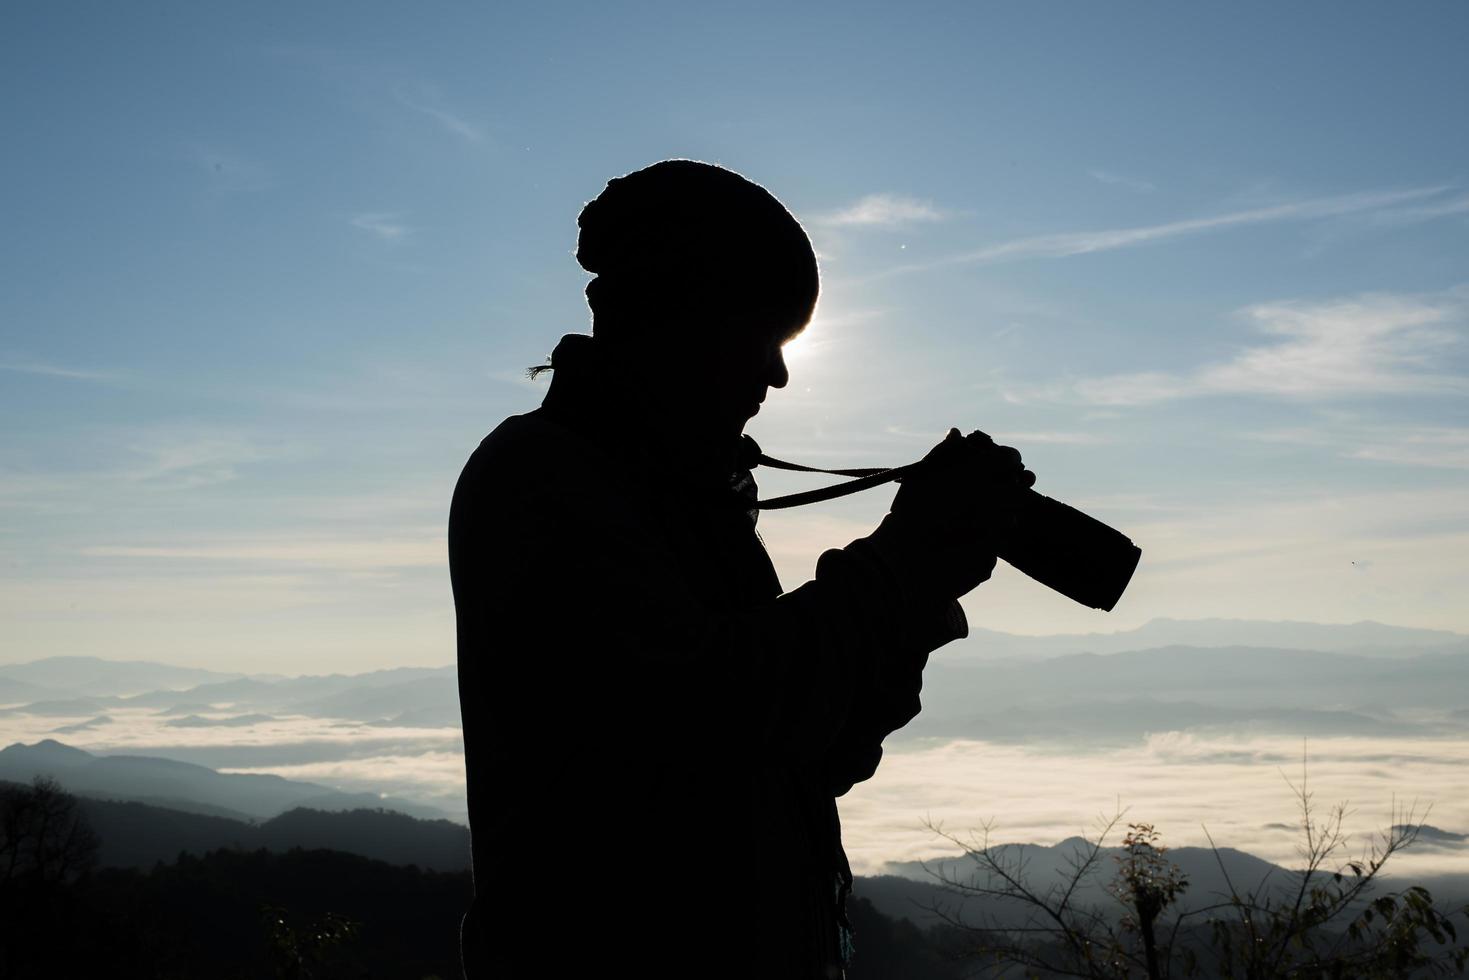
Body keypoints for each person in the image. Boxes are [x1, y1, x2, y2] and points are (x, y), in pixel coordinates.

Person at [449, 159, 1030, 979]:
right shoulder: (543, 477)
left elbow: (815, 757)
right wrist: (901, 566)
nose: (778, 373)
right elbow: (715, 715)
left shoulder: (684, 496)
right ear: (683, 314)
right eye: (766, 334)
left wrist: (919, 595)